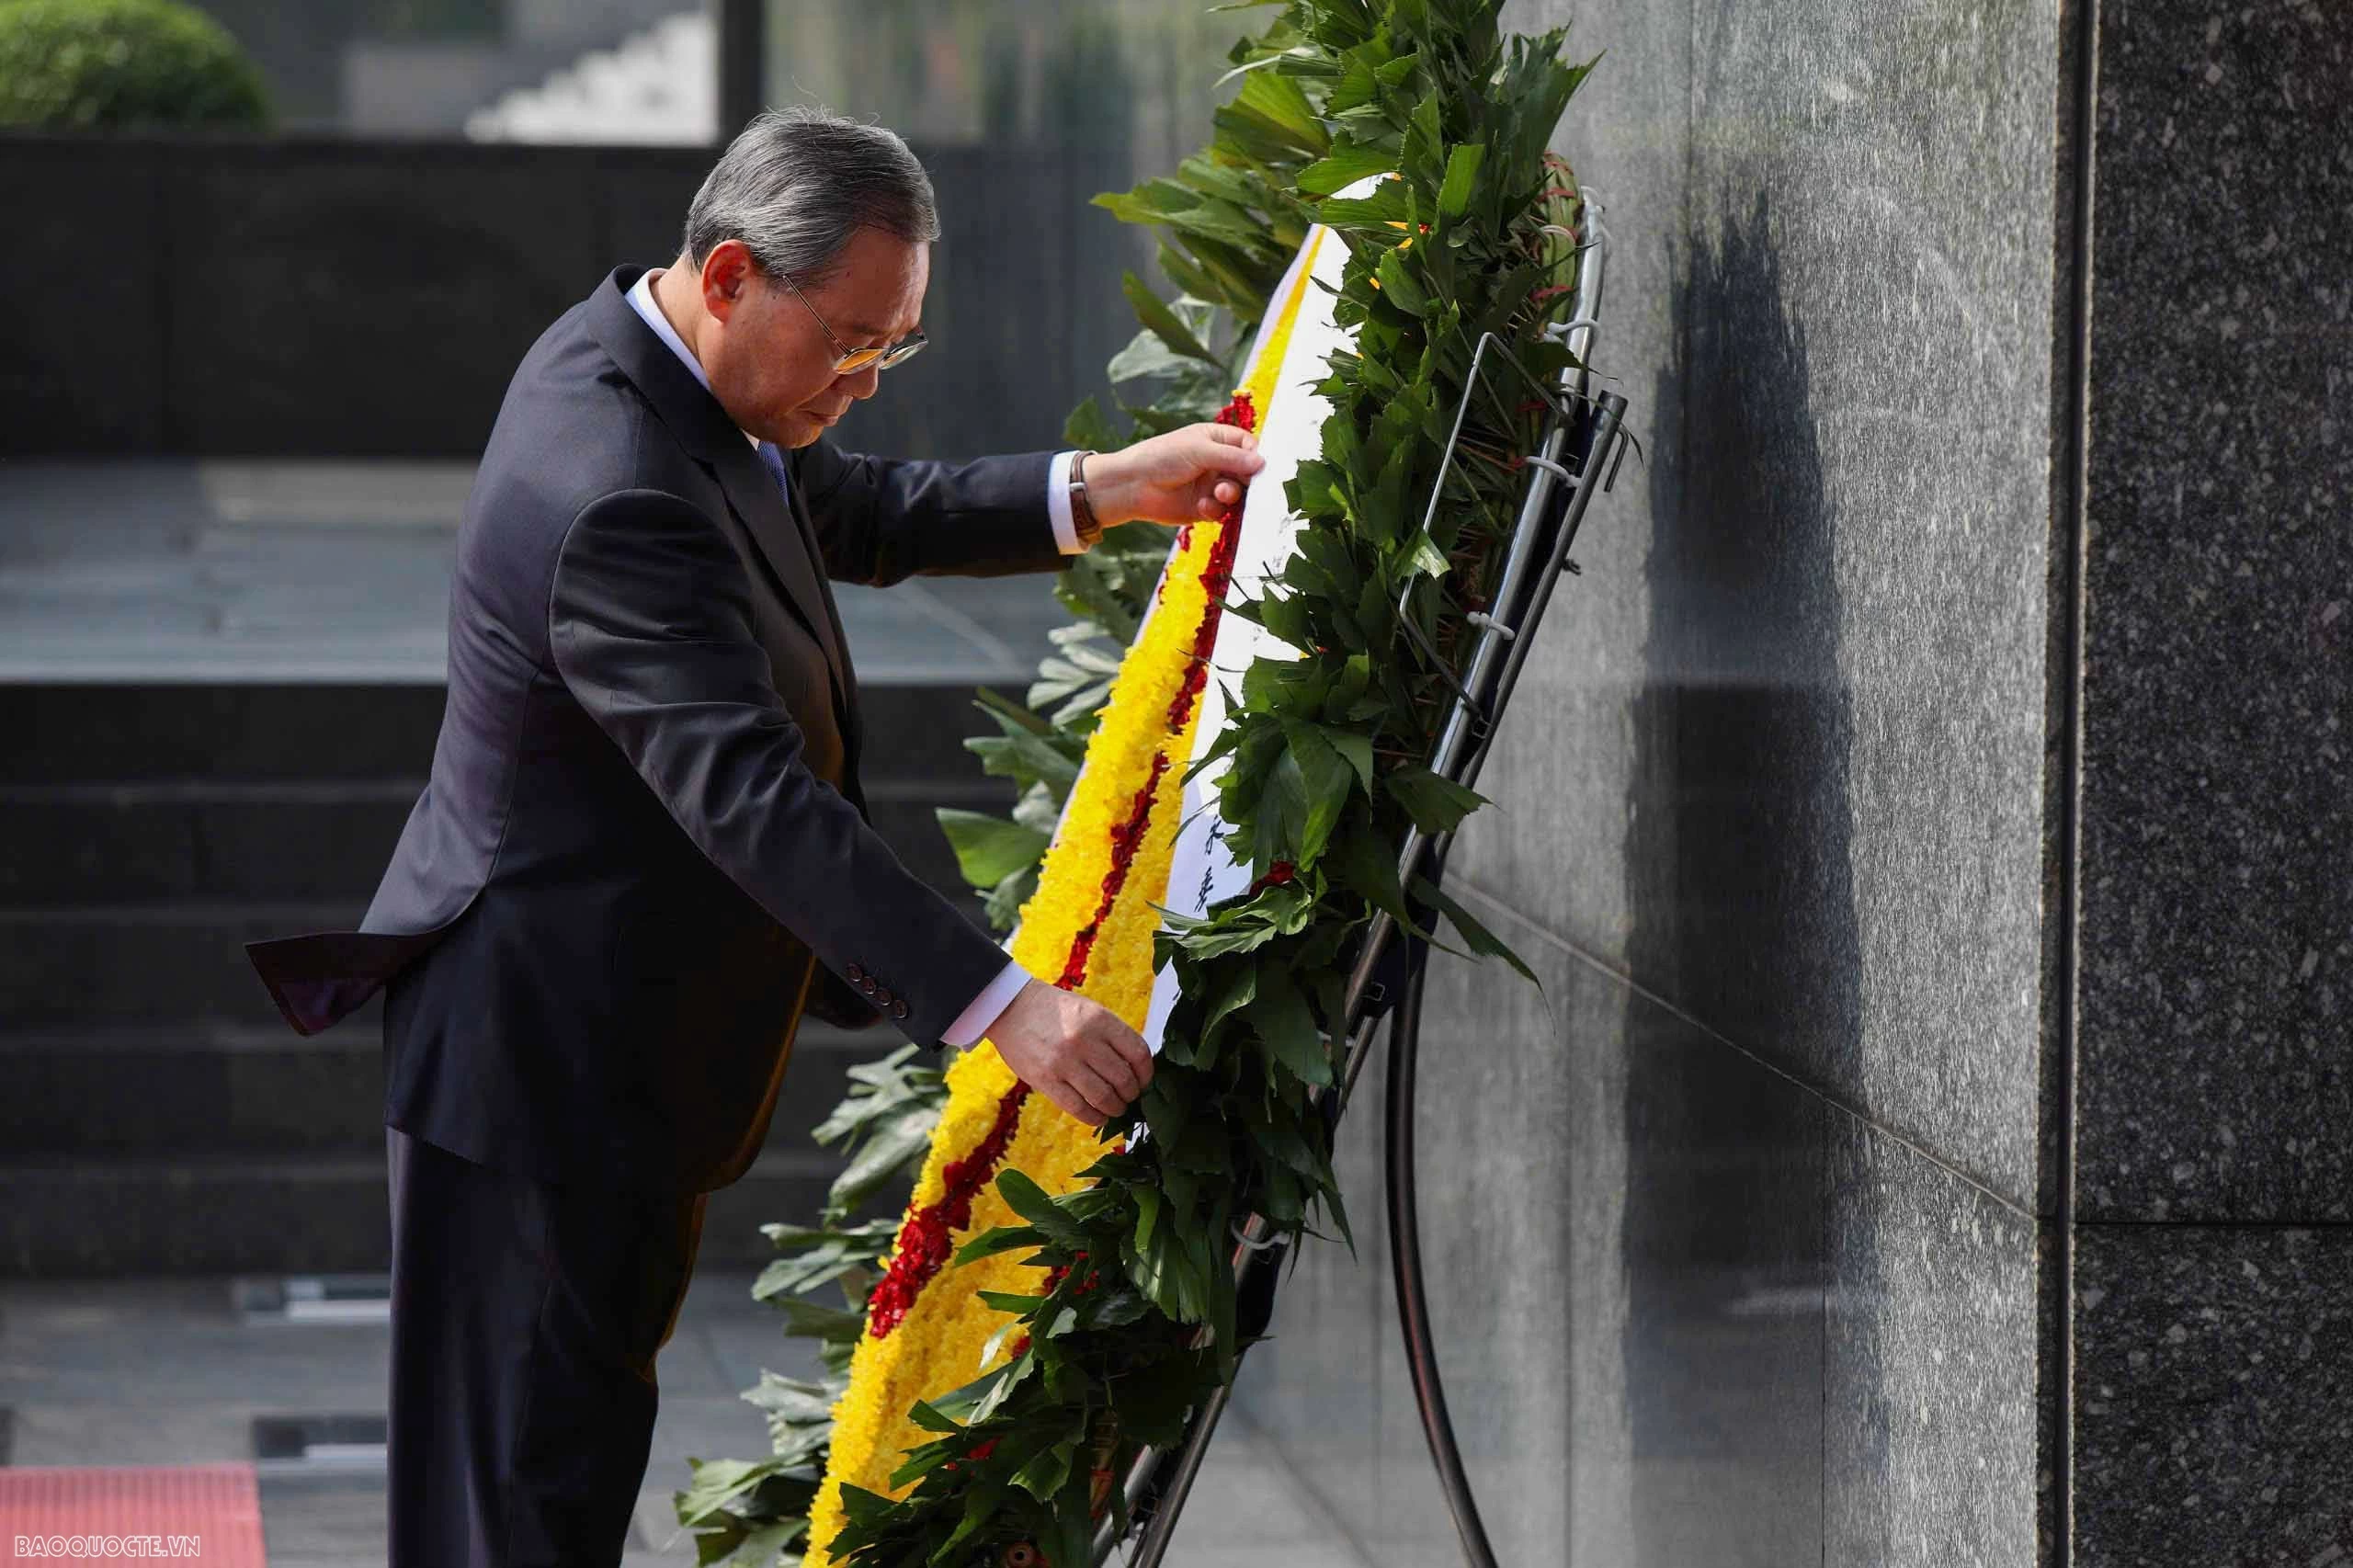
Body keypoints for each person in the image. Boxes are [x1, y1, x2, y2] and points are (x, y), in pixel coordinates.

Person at [242, 107, 1264, 1567]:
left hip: (596, 1061)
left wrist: (1100, 490)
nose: (862, 382)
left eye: (891, 345)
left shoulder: (673, 372)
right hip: (546, 1079)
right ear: (729, 276)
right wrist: (1005, 1008)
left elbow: (837, 508)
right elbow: (754, 799)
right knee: (520, 1517)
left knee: (552, 1487)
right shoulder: (616, 486)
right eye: (848, 340)